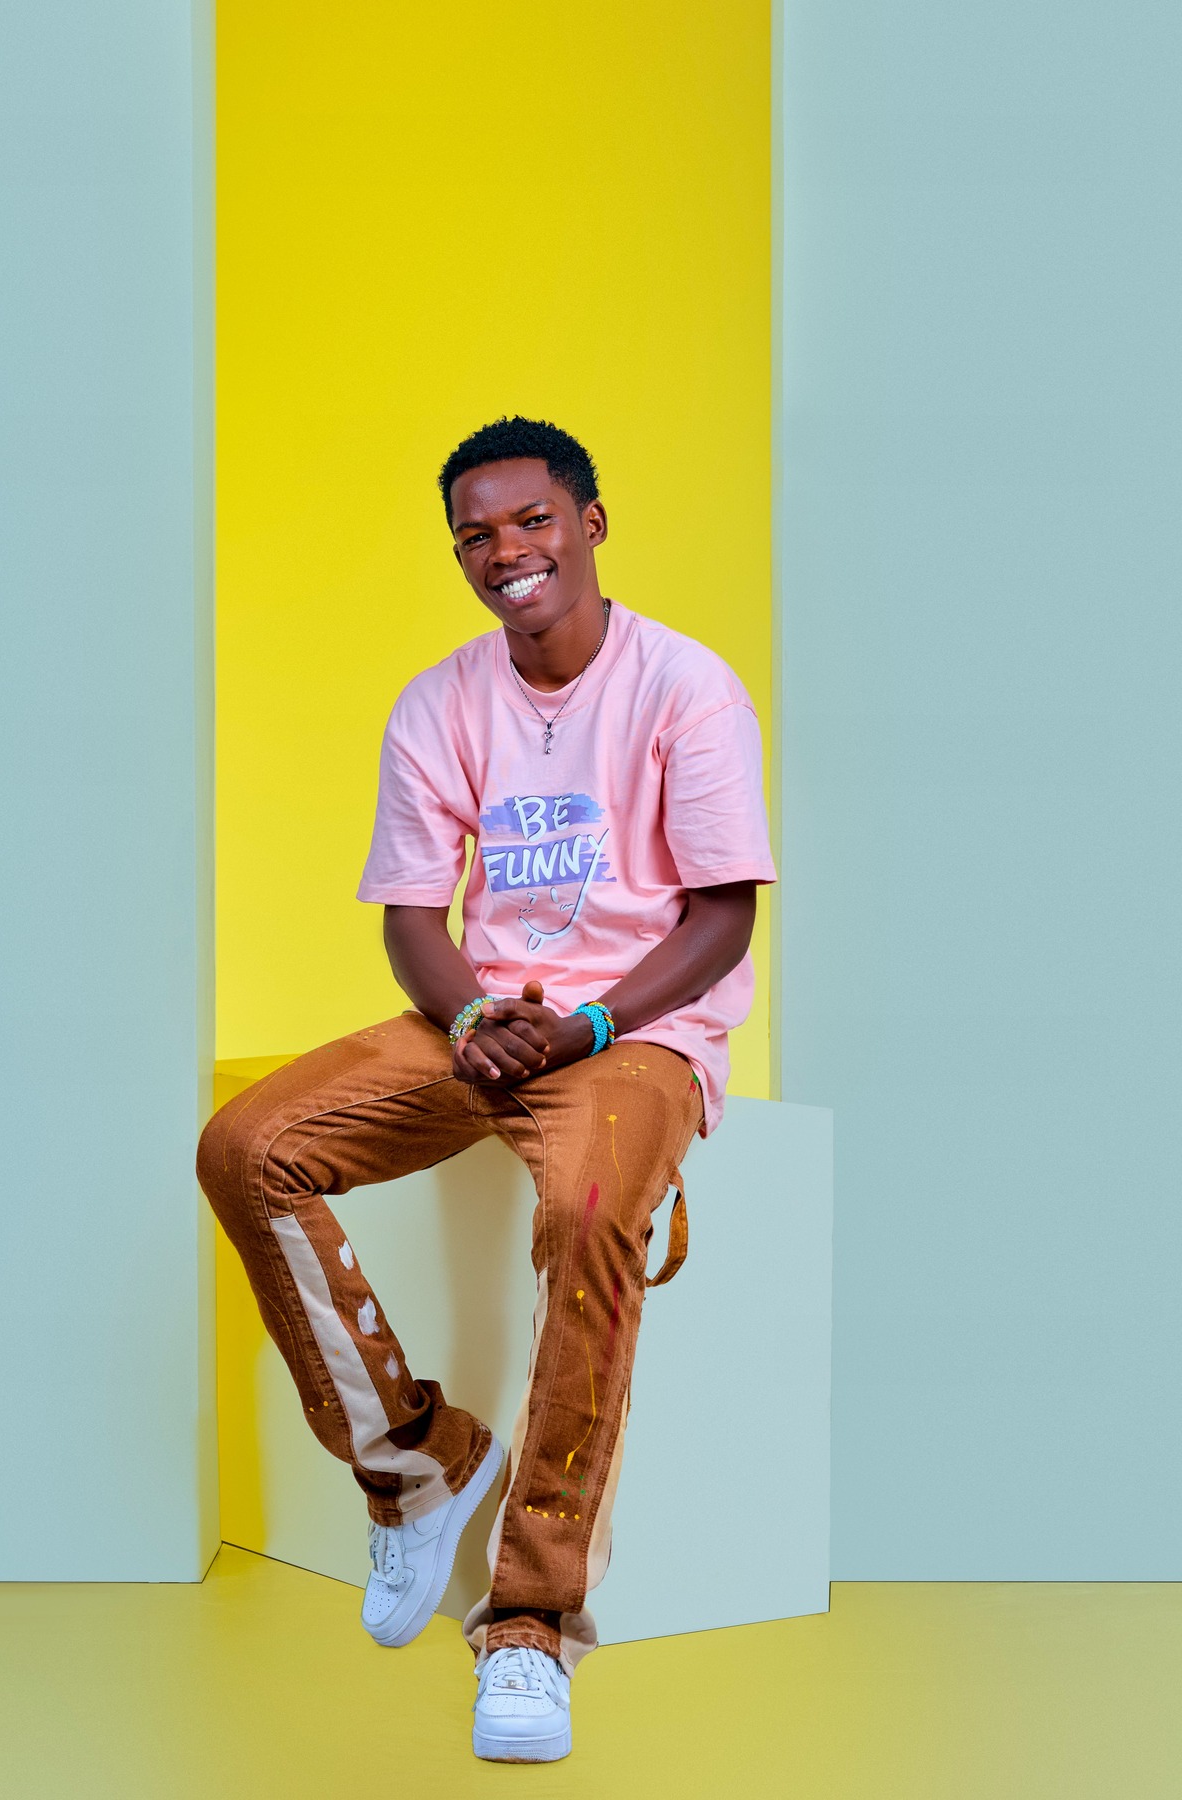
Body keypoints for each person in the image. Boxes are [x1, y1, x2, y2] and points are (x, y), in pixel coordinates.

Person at [196, 416, 775, 1764]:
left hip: (633, 1031)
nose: (503, 551)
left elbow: (723, 916)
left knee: (589, 1213)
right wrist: (468, 1014)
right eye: (474, 534)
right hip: (480, 1023)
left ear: (590, 524)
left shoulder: (686, 688)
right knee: (247, 1145)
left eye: (530, 520)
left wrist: (586, 1024)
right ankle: (416, 1463)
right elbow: (412, 915)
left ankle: (529, 1622)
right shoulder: (439, 702)